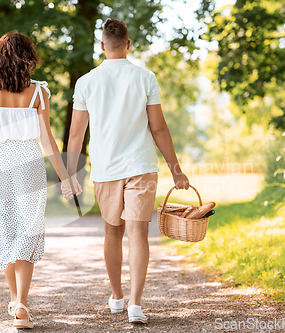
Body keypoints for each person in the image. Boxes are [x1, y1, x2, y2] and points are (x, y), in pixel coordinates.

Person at [62, 18, 190, 324]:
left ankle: (117, 296)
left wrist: (70, 175)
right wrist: (177, 171)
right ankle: (135, 304)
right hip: (141, 166)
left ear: (102, 46)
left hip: (105, 169)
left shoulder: (87, 82)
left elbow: (76, 135)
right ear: (129, 44)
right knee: (138, 233)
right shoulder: (145, 77)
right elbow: (158, 129)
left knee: (112, 232)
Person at [0, 31, 69, 329]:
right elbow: (48, 140)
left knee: (5, 232)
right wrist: (66, 178)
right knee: (27, 231)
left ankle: (15, 301)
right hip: (29, 163)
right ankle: (23, 304)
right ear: (28, 58)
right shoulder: (39, 93)